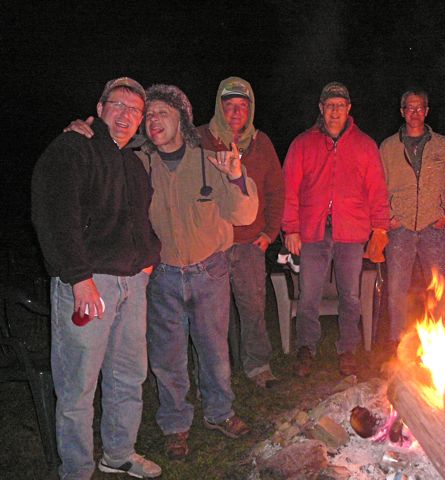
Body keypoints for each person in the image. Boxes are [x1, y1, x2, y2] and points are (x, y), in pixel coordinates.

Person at [64, 84, 258, 461]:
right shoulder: (137, 162)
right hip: (162, 276)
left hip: (209, 271)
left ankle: (220, 412)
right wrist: (79, 133)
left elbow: (243, 215)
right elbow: (96, 164)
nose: (153, 120)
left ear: (181, 119)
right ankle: (175, 424)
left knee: (214, 351)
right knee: (167, 357)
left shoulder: (211, 160)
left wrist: (235, 178)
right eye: (148, 114)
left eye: (161, 113)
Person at [32, 77, 162, 479]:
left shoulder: (133, 164)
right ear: (101, 108)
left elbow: (141, 220)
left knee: (128, 375)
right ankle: (76, 469)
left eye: (134, 110)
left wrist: (149, 258)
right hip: (89, 285)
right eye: (118, 106)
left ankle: (119, 452)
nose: (126, 116)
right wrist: (78, 277)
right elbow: (54, 217)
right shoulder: (74, 148)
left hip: (131, 285)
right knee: (78, 384)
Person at [282, 82, 390, 377]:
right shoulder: (302, 143)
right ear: (321, 108)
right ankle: (307, 347)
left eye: (340, 106)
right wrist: (291, 228)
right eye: (329, 106)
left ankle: (348, 349)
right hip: (313, 232)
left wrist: (380, 228)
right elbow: (289, 189)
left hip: (351, 233)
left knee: (350, 296)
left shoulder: (365, 145)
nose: (334, 112)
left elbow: (377, 190)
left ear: (349, 109)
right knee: (309, 295)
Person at [197, 77, 284, 389]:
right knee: (213, 315)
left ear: (250, 111)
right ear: (220, 107)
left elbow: (276, 191)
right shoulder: (199, 140)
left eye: (242, 107)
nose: (236, 112)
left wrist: (270, 232)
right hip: (211, 246)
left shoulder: (261, 144)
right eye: (229, 105)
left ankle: (258, 366)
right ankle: (218, 372)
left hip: (249, 244)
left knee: (252, 308)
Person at [379, 88, 445, 345]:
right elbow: (377, 184)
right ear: (402, 111)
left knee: (438, 288)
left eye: (420, 108)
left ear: (427, 111)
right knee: (396, 289)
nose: (415, 113)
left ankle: (441, 343)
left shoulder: (442, 145)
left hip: (433, 227)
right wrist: (389, 215)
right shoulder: (388, 147)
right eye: (409, 108)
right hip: (400, 228)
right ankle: (398, 344)